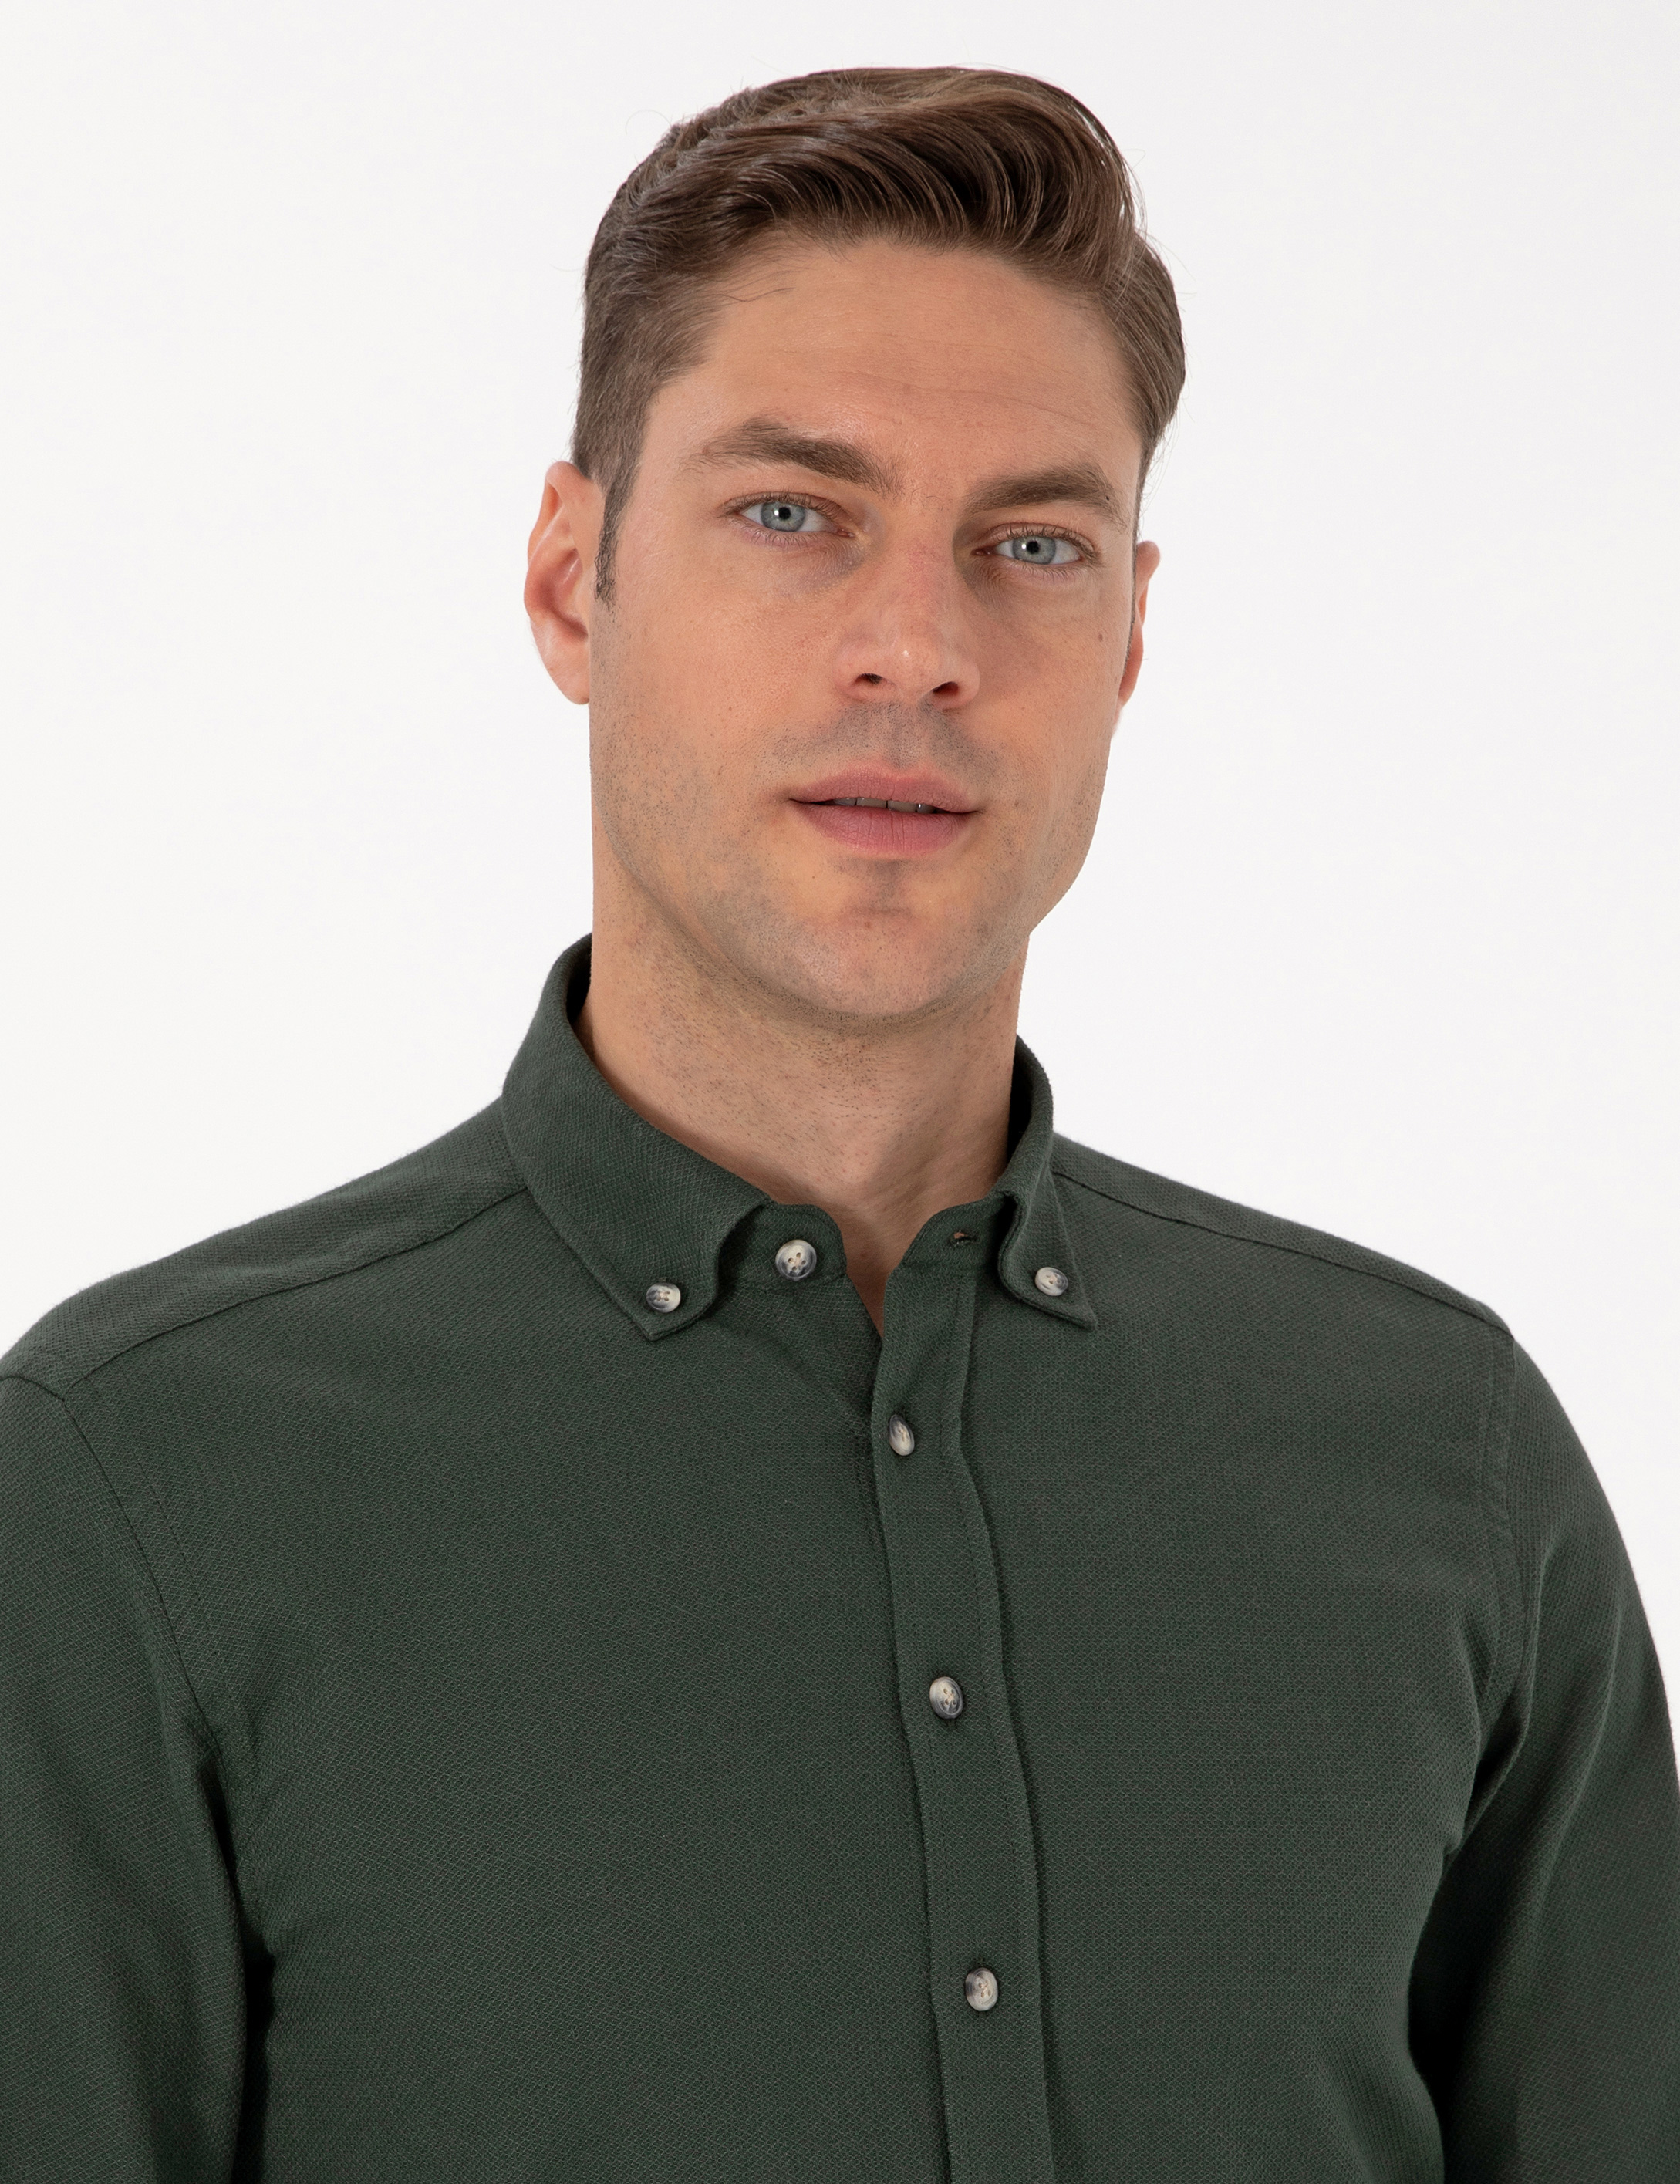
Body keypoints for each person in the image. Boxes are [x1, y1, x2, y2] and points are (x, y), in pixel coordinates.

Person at [2, 64, 1675, 2182]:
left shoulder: (1446, 1457)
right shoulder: (137, 1485)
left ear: (1130, 635)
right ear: (572, 583)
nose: (918, 646)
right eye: (793, 513)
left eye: (1031, 545)